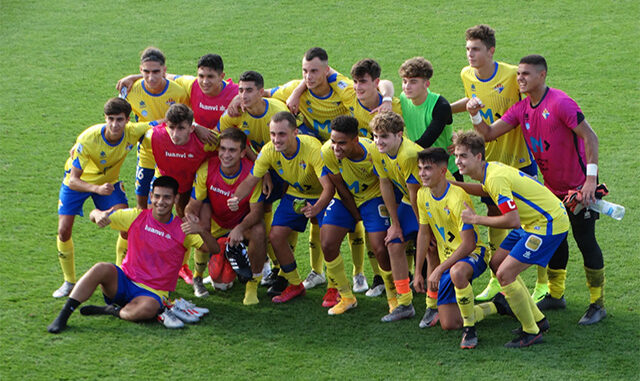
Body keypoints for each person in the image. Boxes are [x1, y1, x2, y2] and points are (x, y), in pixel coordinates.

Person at [467, 54, 606, 325]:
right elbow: (489, 133)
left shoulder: (561, 103)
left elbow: (590, 137)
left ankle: (597, 303)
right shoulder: (522, 109)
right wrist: (474, 114)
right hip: (552, 190)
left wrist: (590, 180)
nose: (520, 78)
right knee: (557, 242)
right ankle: (555, 295)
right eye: (518, 74)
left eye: (526, 74)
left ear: (542, 76)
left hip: (579, 188)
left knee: (585, 240)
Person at [47, 176, 218, 334]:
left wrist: (202, 231)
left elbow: (214, 249)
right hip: (124, 281)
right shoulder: (136, 216)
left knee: (148, 309)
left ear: (176, 200)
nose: (160, 202)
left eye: (167, 197)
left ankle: (112, 311)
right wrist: (97, 215)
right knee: (101, 268)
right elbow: (94, 213)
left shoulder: (183, 229)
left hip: (152, 293)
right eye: (157, 196)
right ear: (151, 196)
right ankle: (64, 315)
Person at [450, 25, 543, 303]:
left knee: (535, 221)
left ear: (491, 51)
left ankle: (544, 282)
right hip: (488, 162)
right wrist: (443, 109)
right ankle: (495, 277)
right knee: (495, 212)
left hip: (520, 161)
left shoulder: (513, 75)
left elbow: (533, 103)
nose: (470, 54)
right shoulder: (467, 74)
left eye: (476, 49)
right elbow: (474, 99)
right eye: (467, 49)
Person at [453, 131, 569, 348]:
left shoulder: (495, 177)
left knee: (506, 274)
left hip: (547, 225)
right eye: (457, 156)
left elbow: (512, 220)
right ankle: (538, 319)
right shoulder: (490, 171)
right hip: (533, 221)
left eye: (464, 156)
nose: (458, 161)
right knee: (497, 263)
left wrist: (476, 218)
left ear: (478, 157)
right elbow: (484, 189)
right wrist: (454, 185)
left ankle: (531, 331)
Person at [227, 111, 334, 303]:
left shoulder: (312, 148)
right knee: (276, 236)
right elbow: (251, 180)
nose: (276, 139)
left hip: (320, 195)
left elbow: (329, 187)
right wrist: (236, 197)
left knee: (328, 239)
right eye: (273, 134)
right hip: (296, 194)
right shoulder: (269, 150)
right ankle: (295, 284)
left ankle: (335, 288)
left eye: (282, 134)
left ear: (295, 132)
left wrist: (317, 208)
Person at [414, 147, 512, 349]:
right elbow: (423, 234)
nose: (422, 173)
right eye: (420, 168)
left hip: (473, 255)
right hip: (449, 262)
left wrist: (439, 269)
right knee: (449, 324)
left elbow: (469, 244)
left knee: (457, 272)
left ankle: (470, 329)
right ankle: (497, 304)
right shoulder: (422, 195)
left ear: (442, 171)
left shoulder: (457, 198)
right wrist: (418, 273)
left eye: (428, 169)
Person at [54, 98, 150, 298]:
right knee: (63, 231)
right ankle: (69, 281)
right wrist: (96, 189)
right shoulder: (88, 138)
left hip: (109, 183)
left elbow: (161, 122)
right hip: (80, 184)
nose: (115, 125)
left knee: (127, 226)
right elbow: (73, 180)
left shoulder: (133, 131)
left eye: (119, 120)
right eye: (111, 119)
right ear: (105, 118)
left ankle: (120, 274)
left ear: (128, 120)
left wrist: (195, 127)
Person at [319, 115, 398, 315]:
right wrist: (356, 215)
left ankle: (393, 297)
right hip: (344, 199)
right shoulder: (327, 151)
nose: (336, 147)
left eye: (342, 143)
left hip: (372, 198)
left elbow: (385, 183)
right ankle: (347, 296)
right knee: (327, 243)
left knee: (380, 247)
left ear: (355, 140)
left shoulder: (374, 152)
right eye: (333, 141)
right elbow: (340, 187)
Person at [185, 128, 267, 304]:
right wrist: (190, 217)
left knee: (259, 230)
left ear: (243, 153)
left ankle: (251, 286)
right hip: (215, 225)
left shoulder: (252, 173)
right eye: (223, 149)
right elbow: (192, 207)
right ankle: (198, 277)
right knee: (221, 283)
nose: (226, 154)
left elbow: (257, 212)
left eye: (232, 150)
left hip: (241, 227)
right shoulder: (207, 168)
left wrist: (240, 228)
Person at [369, 111, 424, 322]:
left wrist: (423, 231)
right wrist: (395, 224)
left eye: (384, 136)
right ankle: (404, 302)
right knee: (393, 242)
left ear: (399, 135)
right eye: (375, 136)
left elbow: (416, 192)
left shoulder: (409, 155)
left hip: (430, 203)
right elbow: (385, 184)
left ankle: (436, 303)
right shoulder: (376, 150)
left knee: (432, 248)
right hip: (410, 202)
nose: (378, 141)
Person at [122, 47, 189, 210]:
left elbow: (187, 123)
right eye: (146, 72)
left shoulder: (178, 92)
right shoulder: (131, 90)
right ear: (140, 70)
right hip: (146, 151)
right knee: (142, 204)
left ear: (164, 70)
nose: (151, 77)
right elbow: (117, 122)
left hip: (171, 152)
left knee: (172, 203)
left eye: (156, 72)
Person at [141, 103, 217, 218]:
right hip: (163, 178)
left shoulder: (205, 140)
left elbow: (234, 145)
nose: (175, 134)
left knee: (187, 217)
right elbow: (129, 131)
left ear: (191, 128)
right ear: (166, 125)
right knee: (154, 217)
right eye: (171, 127)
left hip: (189, 184)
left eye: (181, 128)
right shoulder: (154, 135)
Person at [398, 57, 458, 180]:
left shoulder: (440, 105)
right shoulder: (403, 98)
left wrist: (398, 154)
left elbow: (426, 141)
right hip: (420, 166)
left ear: (427, 84)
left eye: (413, 82)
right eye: (404, 81)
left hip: (446, 170)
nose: (407, 87)